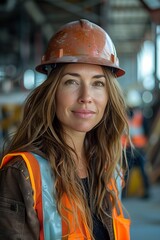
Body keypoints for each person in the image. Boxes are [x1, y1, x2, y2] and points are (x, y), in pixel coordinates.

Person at [0, 19, 130, 240]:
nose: (86, 97)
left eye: (98, 83)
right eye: (72, 82)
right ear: (52, 93)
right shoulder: (22, 173)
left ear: (109, 95)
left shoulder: (108, 166)